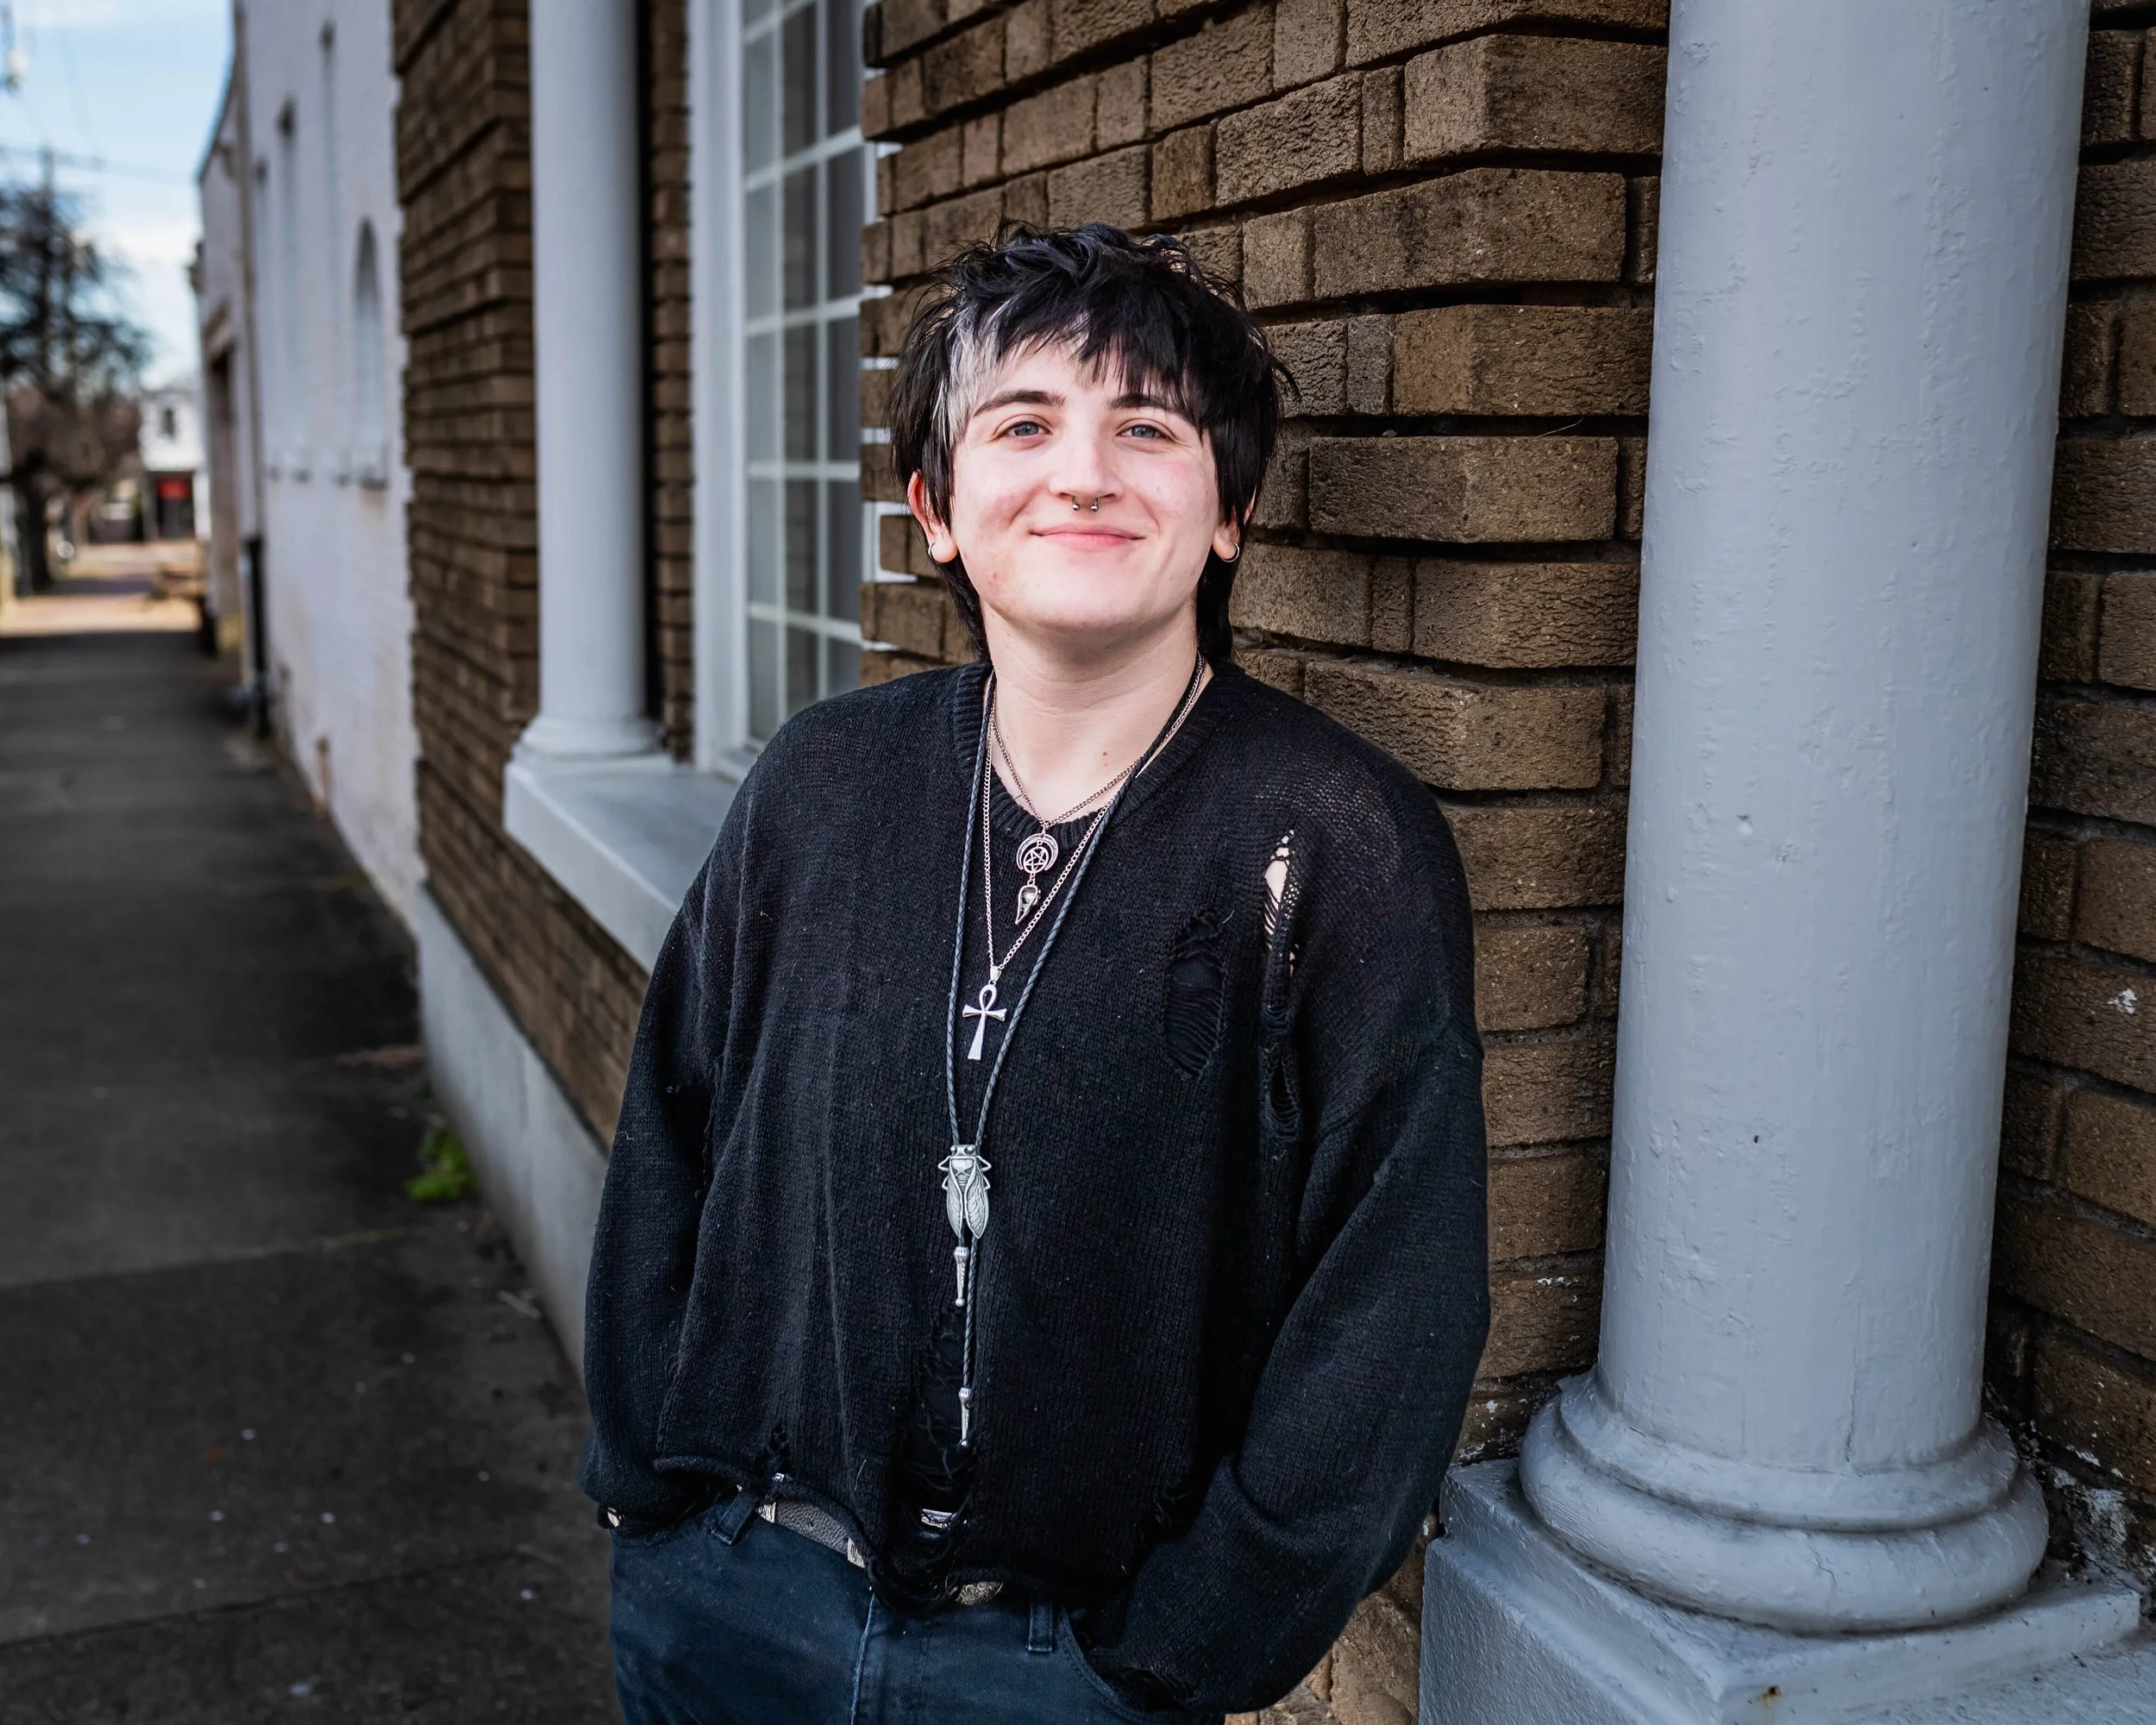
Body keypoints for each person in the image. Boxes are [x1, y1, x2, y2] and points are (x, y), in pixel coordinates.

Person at [580, 223, 1489, 1724]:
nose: (1082, 472)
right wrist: (647, 1494)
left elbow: (1394, 1299)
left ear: (1231, 512)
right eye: (1024, 424)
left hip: (1069, 1671)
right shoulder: (819, 787)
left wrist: (1186, 1648)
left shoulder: (1337, 847)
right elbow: (670, 1125)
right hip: (734, 1600)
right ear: (937, 509)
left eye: (1148, 426)